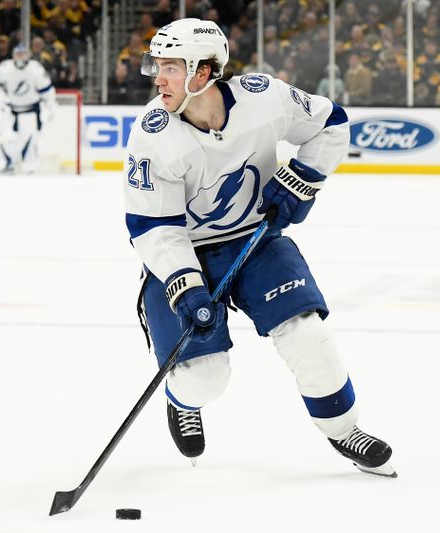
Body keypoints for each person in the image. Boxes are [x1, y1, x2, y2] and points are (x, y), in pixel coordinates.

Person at [125, 18, 396, 477]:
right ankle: (182, 400)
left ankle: (343, 428)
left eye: (170, 66)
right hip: (187, 256)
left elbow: (330, 124)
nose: (158, 77)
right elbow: (152, 226)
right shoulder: (153, 135)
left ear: (203, 72)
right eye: (157, 66)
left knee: (308, 336)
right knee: (207, 377)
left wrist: (303, 178)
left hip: (257, 241)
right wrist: (186, 286)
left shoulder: (263, 97)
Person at [0, 43, 56, 174]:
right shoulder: (5, 67)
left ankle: (30, 163)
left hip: (31, 110)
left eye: (22, 54)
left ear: (28, 56)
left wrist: (50, 105)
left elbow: (46, 90)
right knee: (2, 135)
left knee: (30, 138)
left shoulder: (36, 69)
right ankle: (6, 162)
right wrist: (2, 100)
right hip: (10, 110)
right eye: (17, 54)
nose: (20, 57)